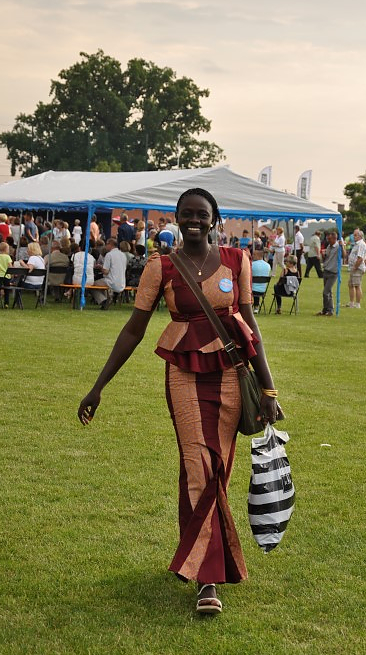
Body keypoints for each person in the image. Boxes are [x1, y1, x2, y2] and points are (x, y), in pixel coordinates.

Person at [78, 187, 282, 616]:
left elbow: (251, 326)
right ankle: (208, 579)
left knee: (218, 470)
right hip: (184, 376)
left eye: (202, 214)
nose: (194, 220)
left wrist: (268, 389)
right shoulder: (161, 266)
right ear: (176, 217)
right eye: (187, 213)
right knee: (197, 467)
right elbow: (133, 329)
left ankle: (198, 556)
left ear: (214, 219)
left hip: (230, 377)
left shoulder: (237, 260)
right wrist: (99, 386)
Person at [92, 238, 127, 309]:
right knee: (101, 283)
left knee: (92, 285)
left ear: (110, 244)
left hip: (111, 281)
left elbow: (106, 271)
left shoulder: (109, 255)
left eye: (106, 244)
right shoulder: (123, 255)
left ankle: (103, 300)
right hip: (122, 282)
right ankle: (106, 299)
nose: (105, 246)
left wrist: (100, 267)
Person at [316, 231, 339, 316]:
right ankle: (326, 310)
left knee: (326, 292)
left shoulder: (338, 247)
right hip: (326, 270)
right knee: (328, 292)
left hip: (333, 272)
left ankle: (330, 310)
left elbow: (343, 255)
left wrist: (343, 247)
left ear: (334, 238)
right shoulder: (329, 246)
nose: (328, 240)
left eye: (329, 239)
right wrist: (323, 255)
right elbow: (327, 258)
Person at [345, 229, 366, 308]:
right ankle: (351, 302)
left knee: (357, 285)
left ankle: (357, 304)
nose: (353, 237)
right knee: (351, 285)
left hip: (357, 268)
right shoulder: (356, 244)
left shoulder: (361, 244)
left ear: (360, 236)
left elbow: (360, 258)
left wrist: (355, 266)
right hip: (353, 267)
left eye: (355, 235)